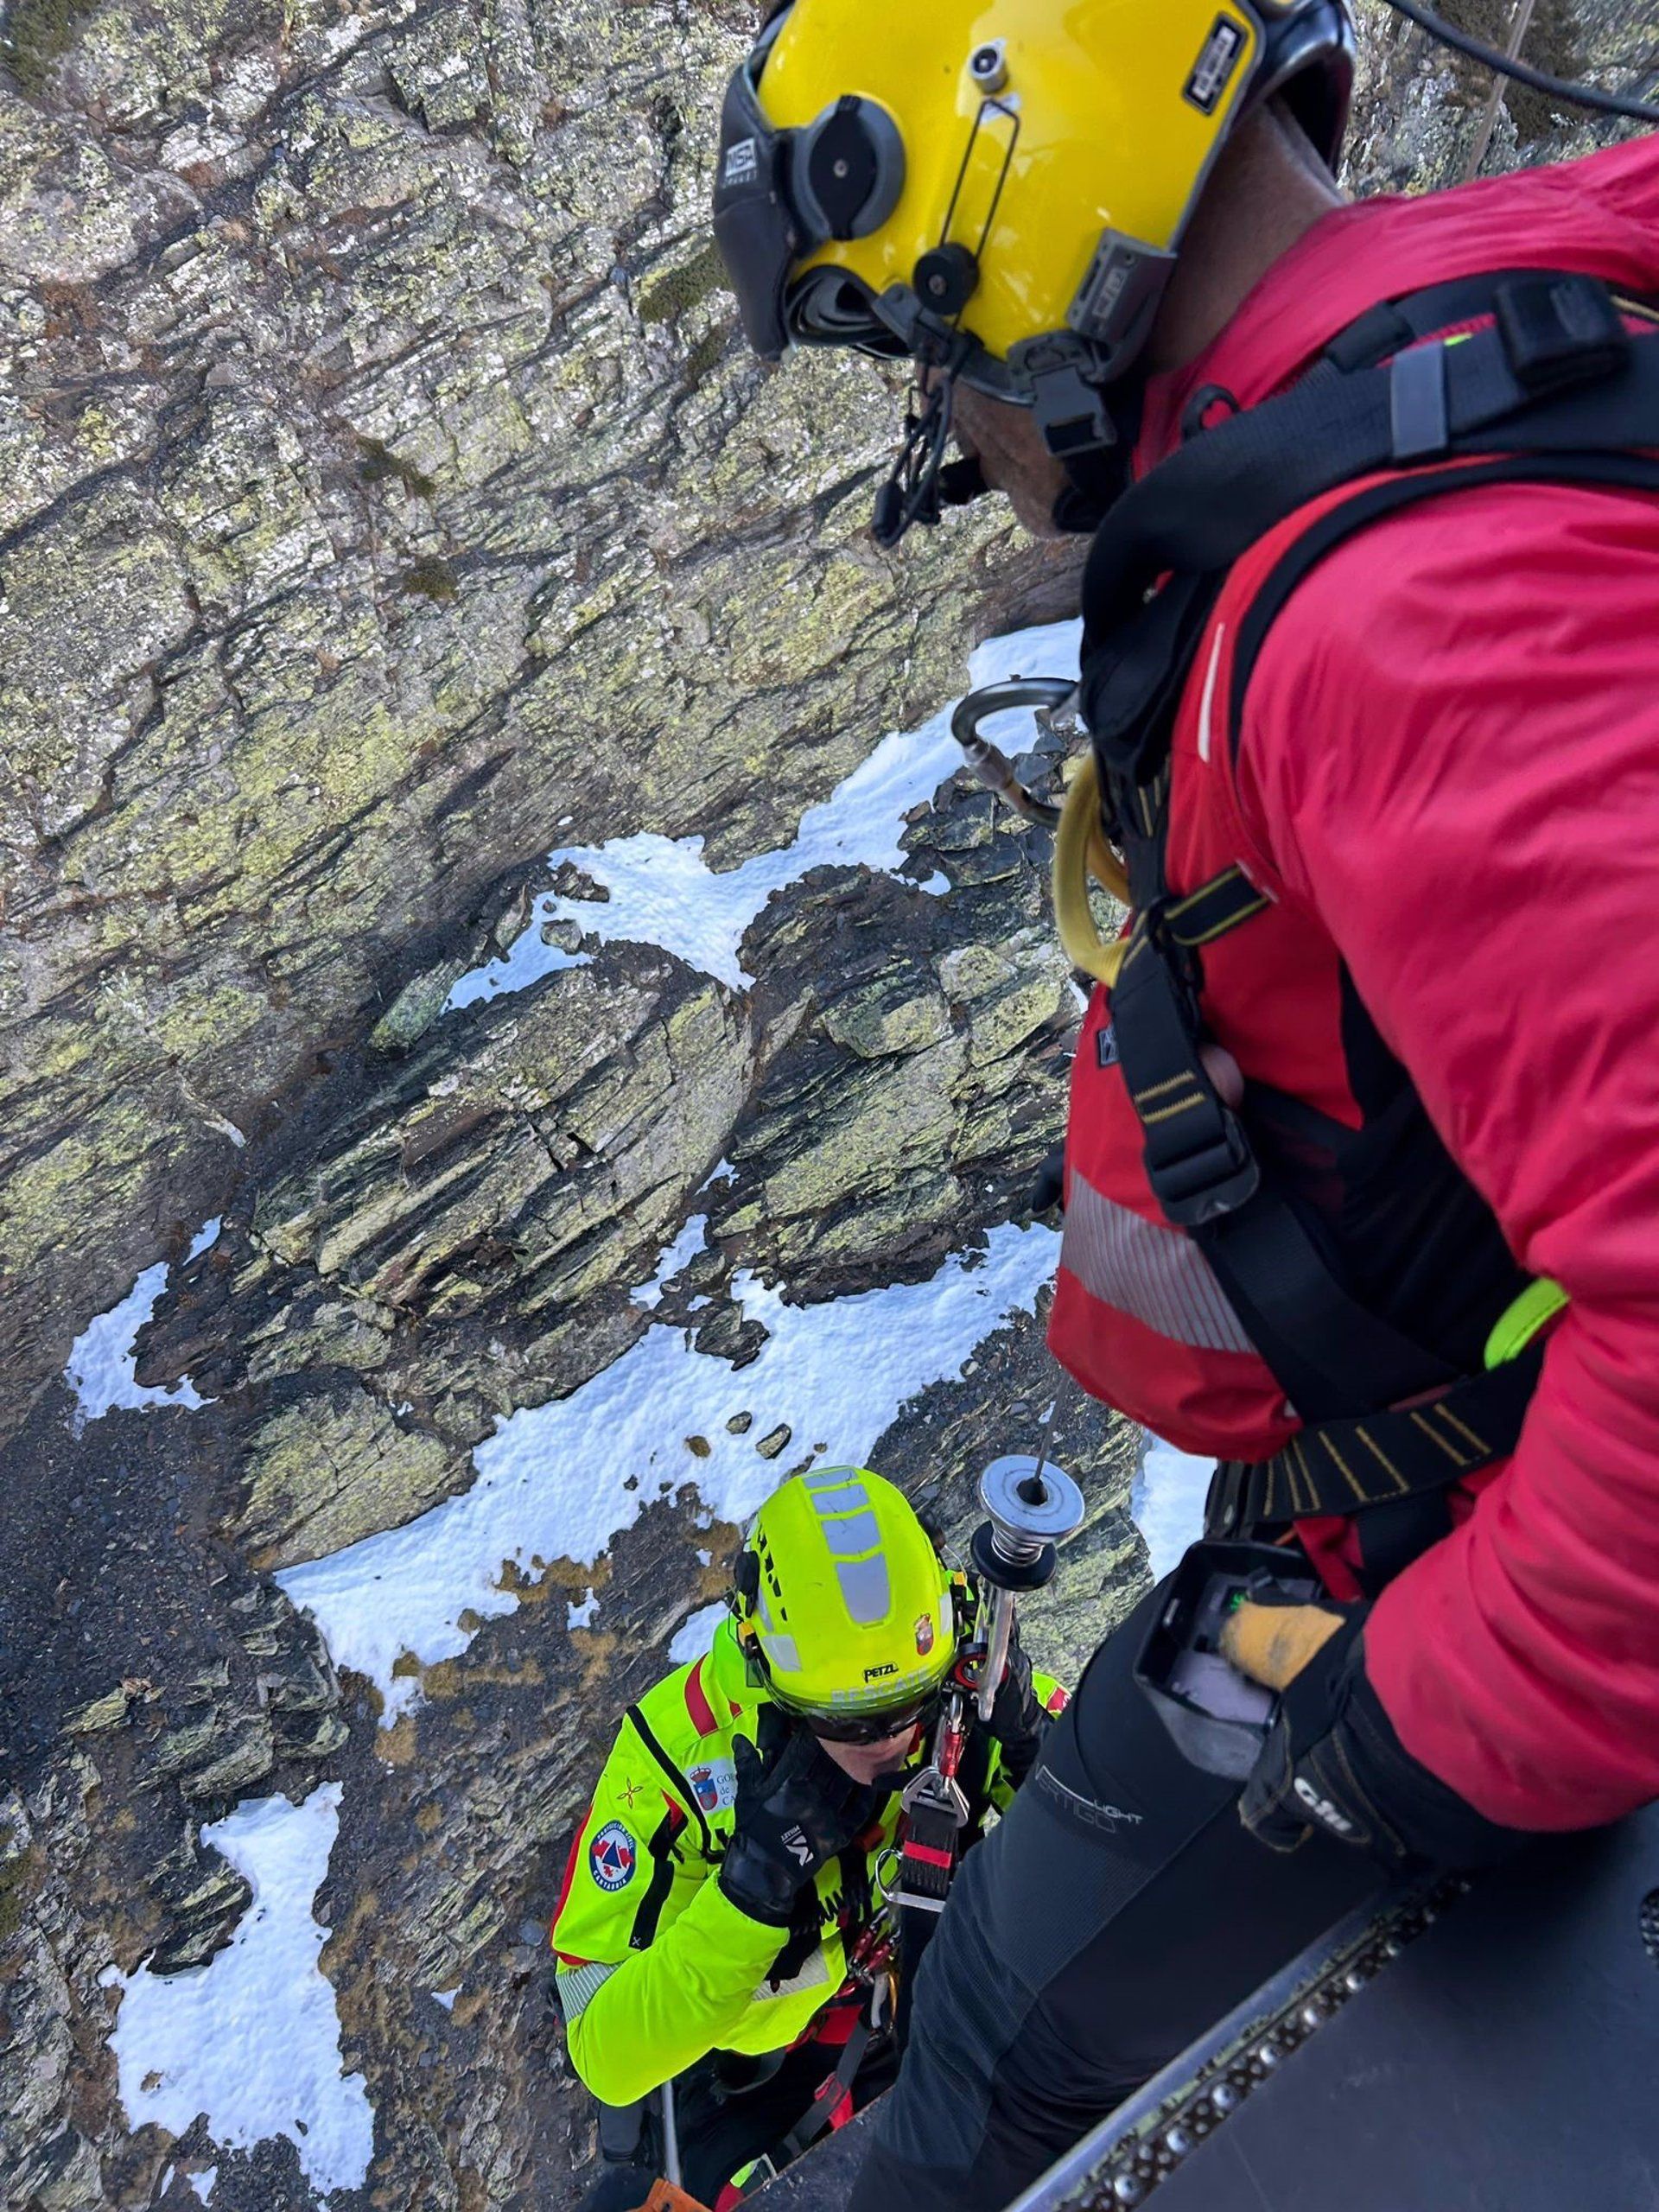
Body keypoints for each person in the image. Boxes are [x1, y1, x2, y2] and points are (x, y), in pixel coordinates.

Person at [709, 5, 1659, 2207]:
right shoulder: (1502, 344)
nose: (945, 432)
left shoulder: (1402, 612)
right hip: (1410, 1459)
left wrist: (1402, 1738)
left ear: (1009, 246)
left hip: (1436, 1562)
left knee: (982, 2068)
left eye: (914, 357)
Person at [550, 1467, 1065, 2209]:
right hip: (758, 2070)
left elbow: (1131, 1849)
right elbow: (605, 2052)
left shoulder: (966, 1688)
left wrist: (1040, 1749)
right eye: (851, 1724)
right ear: (769, 1672)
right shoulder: (673, 1761)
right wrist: (751, 1888)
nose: (891, 1744)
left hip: (939, 2005)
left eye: (905, 1708)